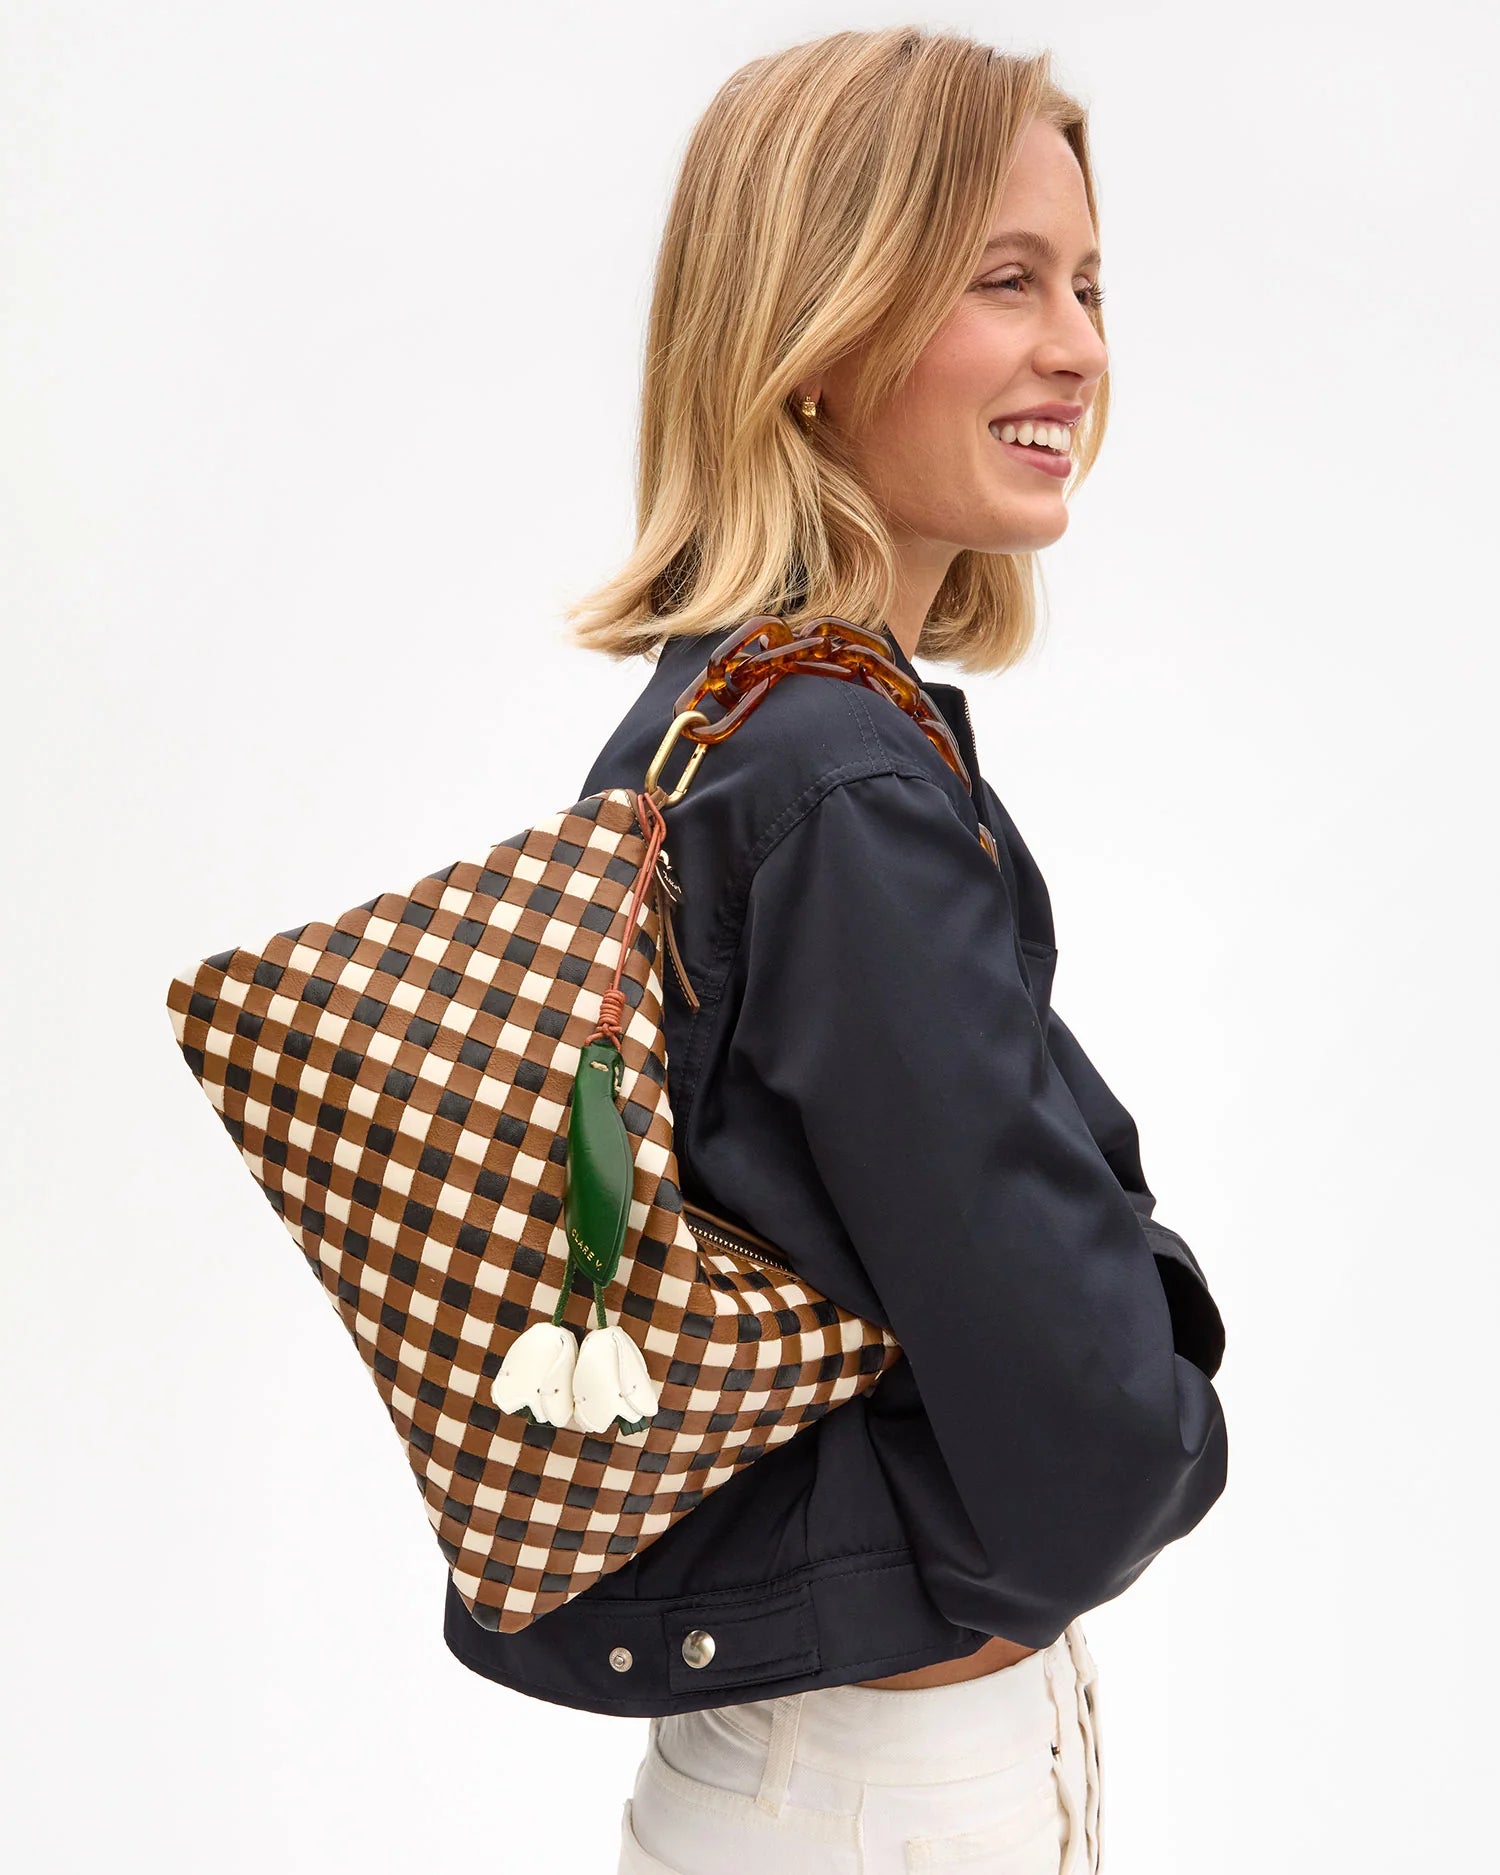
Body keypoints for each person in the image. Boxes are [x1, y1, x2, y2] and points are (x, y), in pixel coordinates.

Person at [440, 25, 1229, 1873]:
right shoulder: (840, 781)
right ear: (823, 330)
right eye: (1005, 278)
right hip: (887, 1808)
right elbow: (1091, 1451)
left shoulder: (718, 726)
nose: (1079, 349)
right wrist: (1175, 1349)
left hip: (815, 1774)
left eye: (1091, 284)